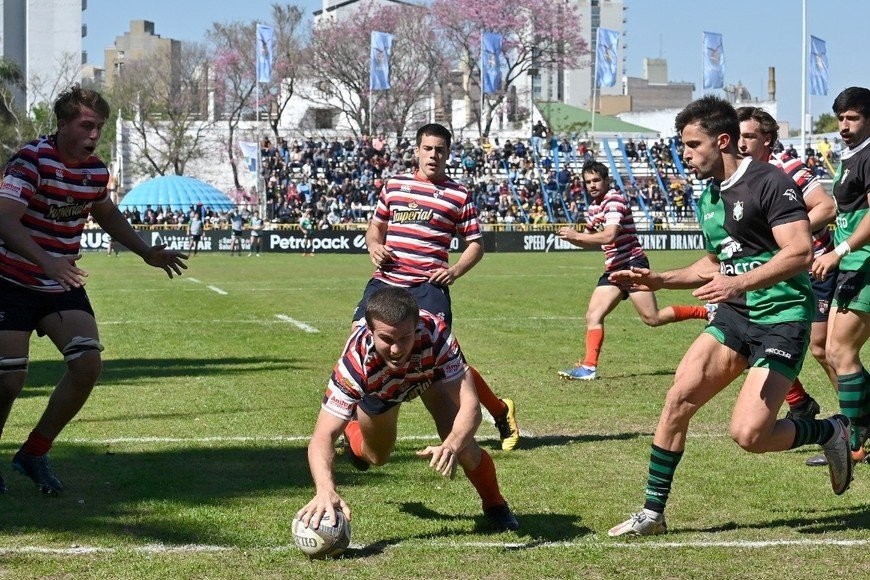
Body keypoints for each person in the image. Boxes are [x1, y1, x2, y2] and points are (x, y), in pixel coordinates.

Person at [607, 95, 851, 537]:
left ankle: (831, 431)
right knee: (678, 399)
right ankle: (652, 513)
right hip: (735, 318)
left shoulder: (769, 182)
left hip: (781, 317)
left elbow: (799, 252)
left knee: (750, 436)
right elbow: (715, 264)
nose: (685, 155)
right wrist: (659, 280)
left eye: (692, 145)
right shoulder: (709, 197)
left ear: (722, 141)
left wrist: (739, 283)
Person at [0, 85, 188, 495]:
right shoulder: (30, 162)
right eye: (86, 125)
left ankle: (33, 453)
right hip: (10, 280)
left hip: (59, 282)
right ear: (63, 123)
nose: (93, 134)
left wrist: (145, 252)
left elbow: (105, 211)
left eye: (98, 127)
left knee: (87, 365)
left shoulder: (96, 171)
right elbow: (5, 220)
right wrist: (47, 261)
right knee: (8, 382)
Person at [295, 287, 518, 534]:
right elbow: (322, 437)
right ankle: (352, 428)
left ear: (417, 327)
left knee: (465, 447)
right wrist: (325, 489)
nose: (396, 349)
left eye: (405, 337)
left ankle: (496, 506)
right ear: (369, 332)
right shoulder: (354, 363)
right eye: (387, 339)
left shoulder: (435, 334)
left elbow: (471, 406)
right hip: (380, 389)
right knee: (376, 457)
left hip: (428, 377)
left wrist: (451, 445)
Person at [353, 122, 520, 452]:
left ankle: (499, 412)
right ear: (417, 151)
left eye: (440, 150)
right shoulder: (395, 186)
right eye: (427, 148)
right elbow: (376, 229)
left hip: (428, 287)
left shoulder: (458, 195)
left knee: (441, 361)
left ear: (448, 153)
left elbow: (475, 243)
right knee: (359, 343)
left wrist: (454, 270)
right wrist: (374, 246)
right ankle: (353, 420)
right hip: (386, 281)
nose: (433, 155)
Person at [735, 106, 838, 435]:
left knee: (823, 348)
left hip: (812, 266)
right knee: (749, 339)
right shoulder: (740, 176)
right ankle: (801, 402)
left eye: (749, 136)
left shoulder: (787, 166)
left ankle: (860, 418)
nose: (741, 143)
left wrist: (790, 233)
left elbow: (826, 205)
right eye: (737, 136)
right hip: (771, 274)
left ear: (767, 138)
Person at [556, 161, 710, 381]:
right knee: (594, 314)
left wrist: (576, 236)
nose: (592, 185)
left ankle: (705, 312)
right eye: (588, 182)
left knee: (653, 318)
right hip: (613, 269)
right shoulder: (593, 208)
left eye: (596, 180)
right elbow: (590, 238)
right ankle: (589, 367)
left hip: (632, 265)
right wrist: (571, 237)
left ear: (606, 180)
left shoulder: (614, 200)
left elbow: (609, 235)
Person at [811, 86, 870, 464]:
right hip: (850, 264)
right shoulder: (850, 156)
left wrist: (841, 249)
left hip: (864, 262)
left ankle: (852, 444)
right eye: (841, 118)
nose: (843, 126)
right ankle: (856, 437)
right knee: (829, 350)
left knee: (840, 351)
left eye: (853, 118)